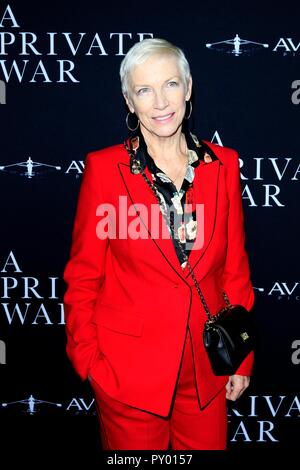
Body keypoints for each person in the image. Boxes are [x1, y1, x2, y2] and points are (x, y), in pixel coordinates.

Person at [63, 38, 255, 450]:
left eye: (170, 84)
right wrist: (92, 365)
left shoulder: (224, 165)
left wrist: (240, 357)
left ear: (188, 89)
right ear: (129, 102)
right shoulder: (105, 169)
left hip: (206, 373)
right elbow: (82, 278)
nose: (160, 102)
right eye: (144, 90)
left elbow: (234, 270)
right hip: (127, 375)